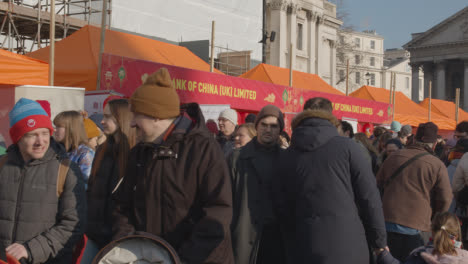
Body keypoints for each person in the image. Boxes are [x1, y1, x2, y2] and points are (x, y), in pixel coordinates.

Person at [112, 68, 234, 263]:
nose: (132, 123)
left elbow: (217, 213)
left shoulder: (203, 149)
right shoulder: (139, 153)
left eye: (136, 115)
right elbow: (122, 207)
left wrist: (180, 259)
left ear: (156, 116)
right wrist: (131, 248)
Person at [275, 107, 387, 264]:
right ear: (334, 126)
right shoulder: (349, 148)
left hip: (302, 245)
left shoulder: (286, 157)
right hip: (348, 245)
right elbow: (369, 198)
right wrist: (379, 242)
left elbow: (282, 207)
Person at [0, 98, 86, 263]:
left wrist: (30, 249)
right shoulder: (2, 165)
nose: (40, 141)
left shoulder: (66, 170)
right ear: (17, 138)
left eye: (45, 133)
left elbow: (72, 226)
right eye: (31, 135)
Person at [377, 122, 453, 261]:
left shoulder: (394, 156)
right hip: (417, 226)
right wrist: (434, 218)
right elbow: (446, 198)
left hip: (386, 221)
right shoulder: (436, 164)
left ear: (414, 139)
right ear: (434, 144)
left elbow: (378, 185)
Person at [230, 105, 286, 264]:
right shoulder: (237, 158)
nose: (268, 129)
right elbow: (226, 199)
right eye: (264, 124)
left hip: (276, 237)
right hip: (244, 233)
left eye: (274, 126)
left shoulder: (288, 159)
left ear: (280, 129)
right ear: (257, 126)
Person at [85, 99, 136, 257]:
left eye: (107, 117)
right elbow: (92, 192)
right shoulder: (102, 150)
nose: (102, 121)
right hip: (94, 235)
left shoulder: (133, 154)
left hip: (118, 239)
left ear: (121, 119)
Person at [377, 212, 468, 264]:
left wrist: (384, 255)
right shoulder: (464, 259)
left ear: (432, 231)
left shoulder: (420, 256)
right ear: (456, 235)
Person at [54, 111, 95, 187]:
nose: (55, 130)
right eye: (55, 126)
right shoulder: (56, 150)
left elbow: (85, 181)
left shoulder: (85, 153)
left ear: (71, 128)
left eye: (58, 126)